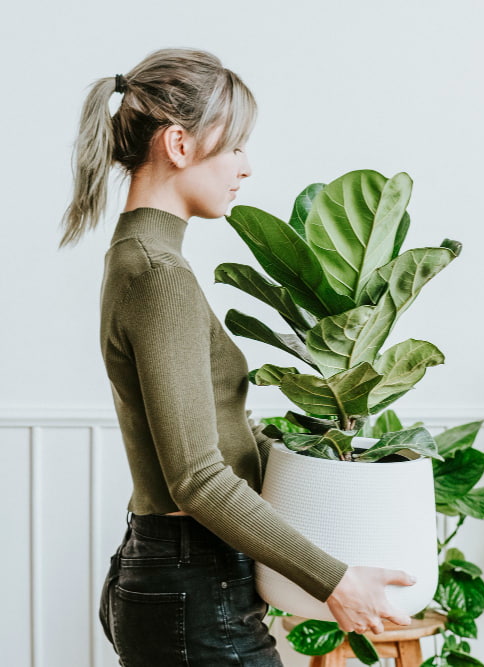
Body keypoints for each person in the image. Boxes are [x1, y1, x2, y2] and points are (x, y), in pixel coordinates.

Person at [60, 47, 413, 666]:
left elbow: (214, 435)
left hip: (179, 576)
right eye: (236, 146)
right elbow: (197, 478)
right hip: (192, 584)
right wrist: (335, 580)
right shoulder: (156, 270)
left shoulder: (141, 256)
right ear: (178, 144)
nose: (246, 167)